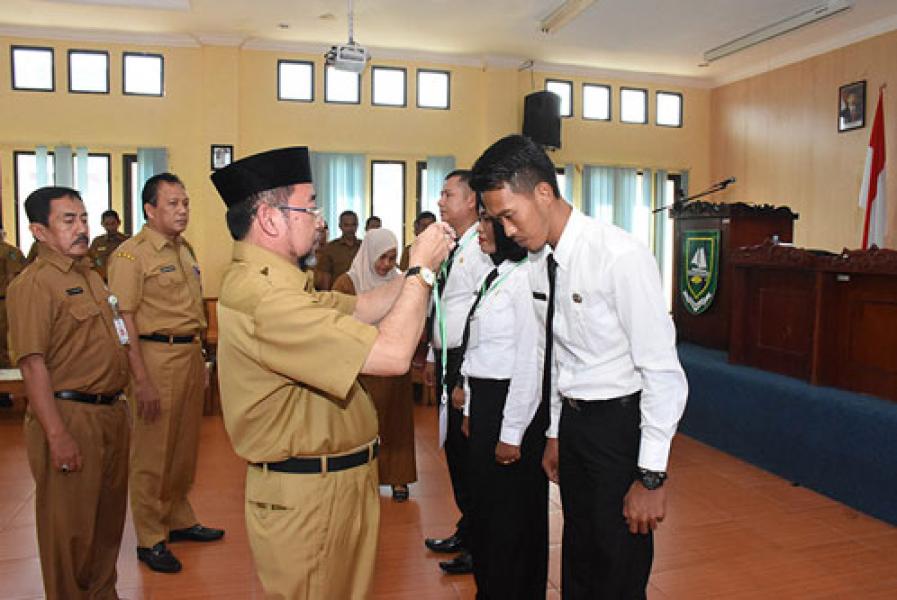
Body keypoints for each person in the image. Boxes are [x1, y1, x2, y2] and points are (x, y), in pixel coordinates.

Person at [210, 146, 452, 599]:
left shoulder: (282, 284)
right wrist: (420, 270)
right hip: (309, 497)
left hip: (334, 484)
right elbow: (394, 355)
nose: (320, 220)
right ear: (269, 218)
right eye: (310, 206)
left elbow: (365, 306)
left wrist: (420, 268)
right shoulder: (266, 298)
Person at [471, 134, 688, 599]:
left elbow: (663, 372)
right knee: (581, 562)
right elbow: (557, 352)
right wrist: (555, 431)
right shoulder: (539, 264)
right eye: (497, 219)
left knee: (618, 568)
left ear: (543, 193)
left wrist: (650, 476)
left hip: (619, 426)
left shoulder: (619, 257)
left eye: (510, 214)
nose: (506, 230)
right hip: (574, 427)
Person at [8, 186, 130, 599]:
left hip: (110, 412)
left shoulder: (91, 275)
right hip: (70, 417)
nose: (82, 228)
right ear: (39, 231)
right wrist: (57, 435)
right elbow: (31, 364)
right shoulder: (34, 285)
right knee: (70, 531)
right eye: (68, 220)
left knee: (106, 525)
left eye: (83, 218)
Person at [108, 172, 223, 575]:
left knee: (183, 448)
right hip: (153, 359)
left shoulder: (183, 249)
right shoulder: (131, 255)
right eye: (172, 203)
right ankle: (150, 536)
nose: (182, 210)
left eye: (186, 203)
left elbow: (192, 312)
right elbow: (123, 321)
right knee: (152, 451)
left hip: (188, 356)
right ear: (149, 209)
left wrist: (203, 360)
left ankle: (177, 516)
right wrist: (140, 379)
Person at [458, 203, 548, 599]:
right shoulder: (497, 275)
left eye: (486, 220)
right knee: (488, 513)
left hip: (514, 408)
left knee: (512, 518)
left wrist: (511, 432)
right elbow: (479, 346)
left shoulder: (526, 279)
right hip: (487, 404)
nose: (479, 228)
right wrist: (472, 408)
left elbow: (530, 359)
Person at [423, 170, 494, 576]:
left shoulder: (482, 249)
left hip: (467, 361)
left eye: (448, 194)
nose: (441, 201)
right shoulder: (455, 246)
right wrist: (433, 359)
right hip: (447, 357)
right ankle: (467, 529)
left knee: (468, 456)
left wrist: (463, 377)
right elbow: (444, 305)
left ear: (472, 201)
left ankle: (478, 543)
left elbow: (479, 318)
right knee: (454, 453)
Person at [333, 228, 418, 502]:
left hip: (393, 370)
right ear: (369, 254)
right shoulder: (348, 283)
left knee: (396, 425)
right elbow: (337, 324)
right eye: (381, 258)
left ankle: (398, 478)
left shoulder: (401, 282)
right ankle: (361, 480)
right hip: (362, 369)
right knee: (360, 428)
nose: (386, 265)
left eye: (392, 258)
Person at [0, 228, 27, 407]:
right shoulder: (12, 251)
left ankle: (8, 391)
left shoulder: (10, 252)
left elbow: (14, 278)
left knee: (6, 344)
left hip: (5, 301)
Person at [314, 209, 361, 290]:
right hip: (338, 295)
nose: (350, 229)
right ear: (340, 226)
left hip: (361, 294)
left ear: (357, 225)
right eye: (346, 225)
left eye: (353, 225)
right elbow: (325, 278)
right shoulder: (330, 248)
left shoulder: (363, 246)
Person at [88, 209, 129, 281]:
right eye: (107, 224)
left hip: (122, 281)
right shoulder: (97, 242)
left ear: (119, 223)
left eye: (113, 223)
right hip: (101, 283)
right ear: (102, 224)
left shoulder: (127, 242)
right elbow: (90, 262)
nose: (110, 227)